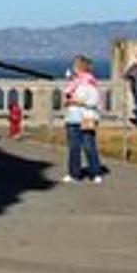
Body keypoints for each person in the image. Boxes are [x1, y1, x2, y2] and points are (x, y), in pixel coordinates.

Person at [61, 55, 107, 183]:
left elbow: (93, 101)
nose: (73, 68)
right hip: (72, 118)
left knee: (89, 146)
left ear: (80, 67)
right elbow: (66, 99)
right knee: (73, 147)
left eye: (75, 65)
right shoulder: (73, 82)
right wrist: (68, 101)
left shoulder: (90, 82)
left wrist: (77, 101)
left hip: (87, 117)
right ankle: (73, 173)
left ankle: (95, 172)